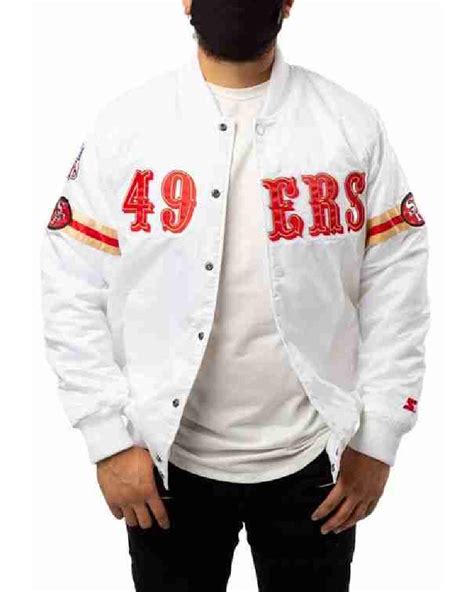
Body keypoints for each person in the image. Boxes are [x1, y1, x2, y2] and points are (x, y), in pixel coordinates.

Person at [40, 1, 430, 590]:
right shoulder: (127, 125)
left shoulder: (351, 125)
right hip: (165, 465)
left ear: (288, 2)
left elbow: (397, 283)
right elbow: (71, 280)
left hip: (318, 462)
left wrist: (379, 437)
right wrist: (107, 439)